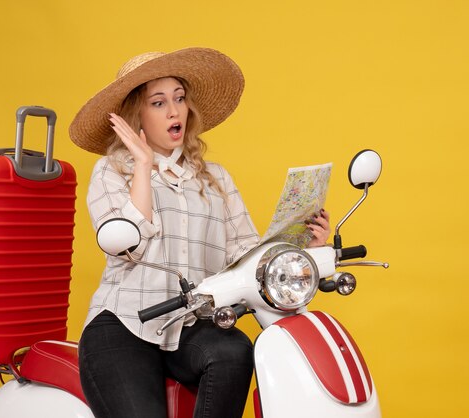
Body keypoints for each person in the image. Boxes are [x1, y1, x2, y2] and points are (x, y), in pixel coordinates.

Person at [68, 47, 331, 418]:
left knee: (234, 351)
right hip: (124, 325)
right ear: (136, 115)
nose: (174, 111)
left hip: (190, 324)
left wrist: (303, 247)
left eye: (179, 99)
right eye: (158, 103)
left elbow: (246, 255)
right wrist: (142, 166)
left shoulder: (216, 178)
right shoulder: (111, 171)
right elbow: (130, 247)